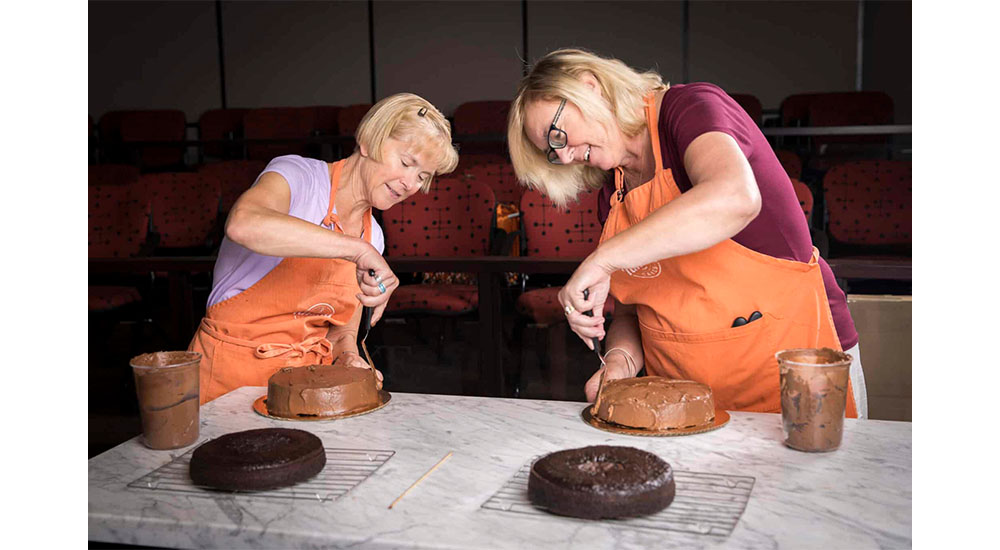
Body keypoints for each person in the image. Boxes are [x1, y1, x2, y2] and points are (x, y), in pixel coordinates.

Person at [507, 49, 867, 418]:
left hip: (793, 379)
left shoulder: (690, 109)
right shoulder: (612, 196)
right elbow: (633, 312)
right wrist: (618, 365)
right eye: (552, 153)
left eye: (556, 135)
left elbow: (735, 197)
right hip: (684, 408)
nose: (564, 157)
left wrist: (602, 259)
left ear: (590, 86)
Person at [190, 93, 459, 403]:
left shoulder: (374, 237)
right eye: (406, 162)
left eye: (422, 177)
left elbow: (341, 331)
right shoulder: (299, 177)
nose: (410, 184)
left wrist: (347, 358)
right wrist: (355, 249)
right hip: (229, 380)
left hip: (303, 391)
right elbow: (243, 223)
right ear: (369, 141)